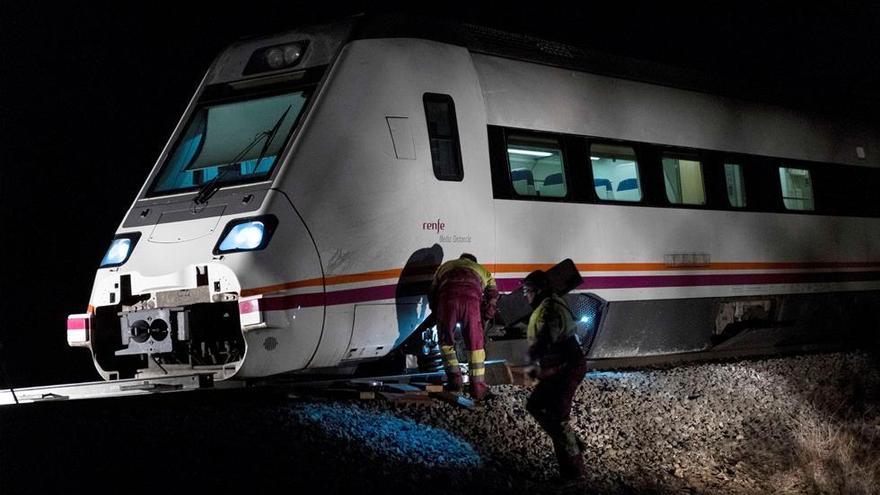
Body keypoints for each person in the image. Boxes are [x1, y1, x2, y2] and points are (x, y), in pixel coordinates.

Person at [522, 269, 588, 482]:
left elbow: (545, 339)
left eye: (527, 291)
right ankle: (571, 442)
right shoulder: (549, 304)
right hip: (558, 368)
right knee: (536, 405)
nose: (525, 295)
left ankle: (574, 471)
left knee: (558, 419)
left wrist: (533, 365)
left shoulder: (549, 309)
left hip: (566, 368)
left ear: (538, 290)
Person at [426, 253, 498, 399]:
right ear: (473, 261)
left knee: (446, 343)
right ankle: (478, 389)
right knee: (475, 346)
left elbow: (432, 291)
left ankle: (455, 382)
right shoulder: (481, 269)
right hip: (471, 302)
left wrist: (437, 312)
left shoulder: (445, 267)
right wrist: (489, 311)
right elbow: (493, 293)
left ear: (460, 259)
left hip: (447, 300)